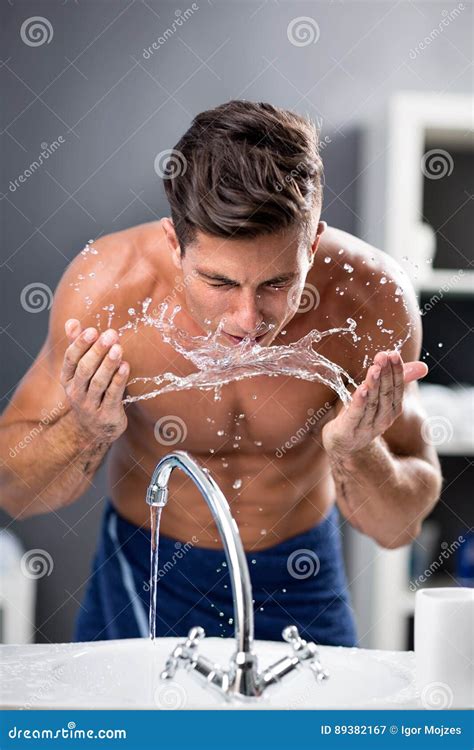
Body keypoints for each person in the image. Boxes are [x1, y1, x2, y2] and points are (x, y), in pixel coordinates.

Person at [0, 101, 442, 646]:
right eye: (220, 283)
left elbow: (399, 528)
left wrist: (356, 452)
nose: (248, 321)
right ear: (174, 244)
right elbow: (12, 490)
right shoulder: (110, 291)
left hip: (300, 574)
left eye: (278, 283)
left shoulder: (369, 301)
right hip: (147, 572)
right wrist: (84, 430)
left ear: (313, 242)